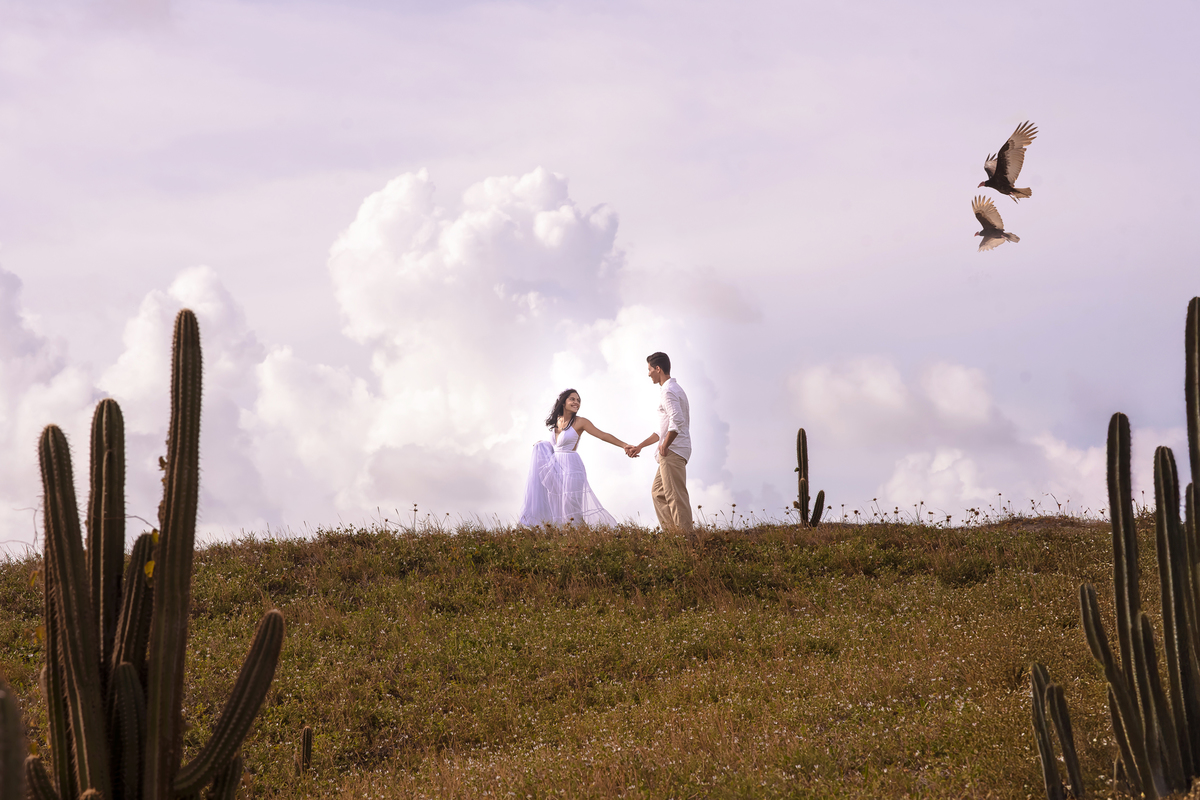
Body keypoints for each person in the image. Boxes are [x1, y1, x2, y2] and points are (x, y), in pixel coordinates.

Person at [518, 388, 629, 527]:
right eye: (572, 399)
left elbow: (603, 435)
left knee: (570, 504)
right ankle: (562, 535)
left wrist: (624, 445)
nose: (576, 402)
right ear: (563, 402)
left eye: (578, 400)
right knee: (555, 502)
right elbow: (555, 447)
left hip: (572, 466)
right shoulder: (557, 421)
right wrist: (541, 445)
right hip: (555, 467)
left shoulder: (581, 422)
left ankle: (580, 534)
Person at [625, 352, 693, 535]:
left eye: (649, 369)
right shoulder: (673, 389)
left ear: (658, 369)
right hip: (673, 449)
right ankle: (673, 534)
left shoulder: (668, 391)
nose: (648, 374)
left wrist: (666, 445)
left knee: (675, 496)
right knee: (658, 493)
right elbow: (661, 430)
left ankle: (684, 539)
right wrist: (640, 446)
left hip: (673, 451)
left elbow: (676, 421)